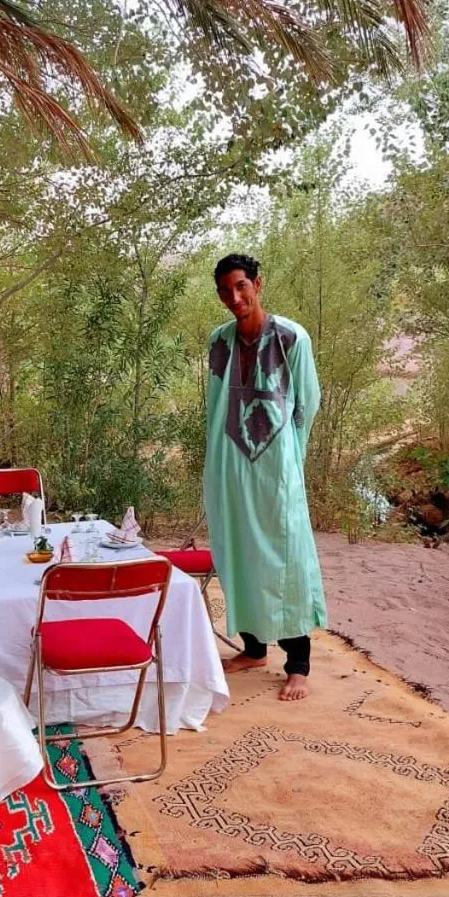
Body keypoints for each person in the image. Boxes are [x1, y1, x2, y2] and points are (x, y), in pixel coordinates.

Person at [203, 252, 327, 699]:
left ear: (257, 283)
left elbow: (306, 403)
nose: (233, 297)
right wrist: (215, 465)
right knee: (238, 550)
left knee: (285, 555)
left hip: (277, 465)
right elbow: (215, 408)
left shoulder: (292, 337)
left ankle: (298, 664)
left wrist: (290, 459)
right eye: (224, 291)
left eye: (240, 286)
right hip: (230, 462)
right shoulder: (220, 341)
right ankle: (254, 649)